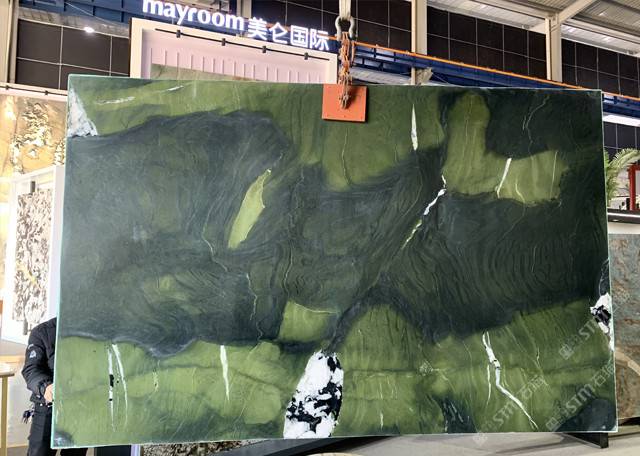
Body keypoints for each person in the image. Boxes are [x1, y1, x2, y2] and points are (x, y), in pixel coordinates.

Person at [21, 317, 87, 456]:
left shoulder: (91, 332)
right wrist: (46, 386)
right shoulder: (42, 332)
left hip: (80, 408)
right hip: (48, 407)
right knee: (39, 452)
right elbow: (31, 369)